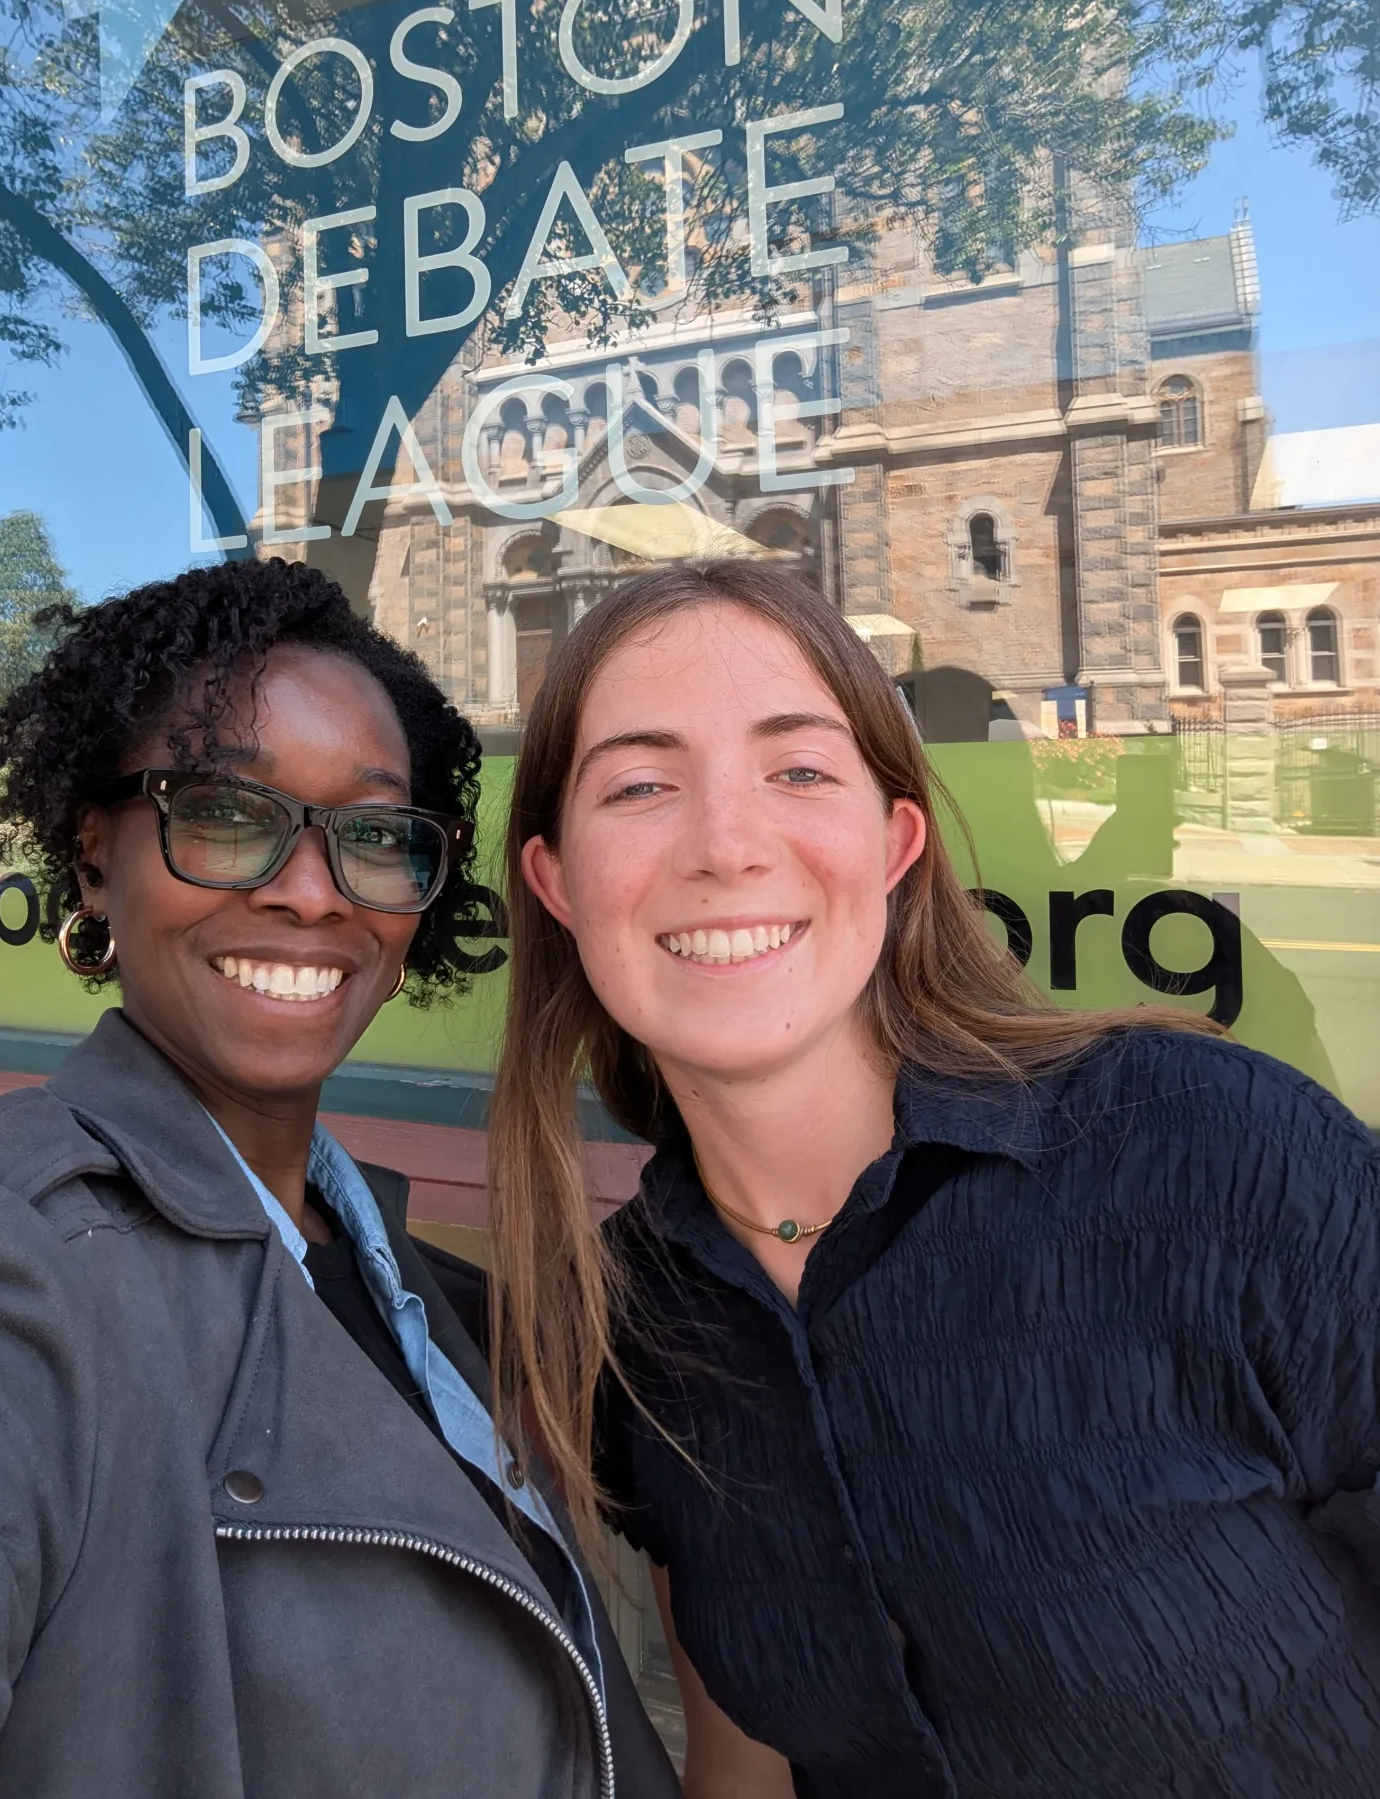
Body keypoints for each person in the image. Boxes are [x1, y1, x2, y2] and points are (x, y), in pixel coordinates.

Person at [486, 558, 1380, 1799]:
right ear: (555, 884)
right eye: (640, 786)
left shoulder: (1211, 1153)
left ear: (895, 843)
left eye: (798, 771)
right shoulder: (638, 1317)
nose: (726, 846)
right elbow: (746, 1765)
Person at [0, 560, 675, 1799]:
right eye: (225, 814)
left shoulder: (389, 1275)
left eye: (370, 835)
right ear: (95, 859)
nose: (310, 894)